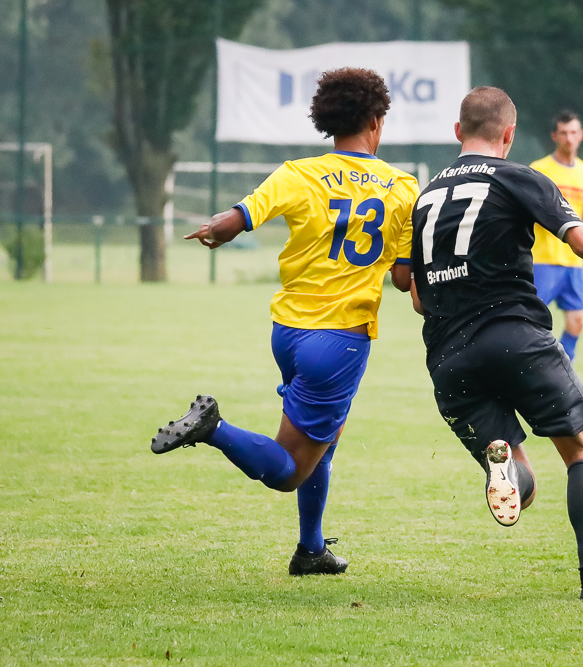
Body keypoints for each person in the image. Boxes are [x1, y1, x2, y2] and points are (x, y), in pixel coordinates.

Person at [148, 68, 418, 576]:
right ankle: (213, 428)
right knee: (289, 471)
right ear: (376, 121)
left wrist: (217, 230)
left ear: (328, 121)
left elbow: (235, 219)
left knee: (325, 440)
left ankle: (311, 550)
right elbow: (404, 280)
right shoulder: (403, 188)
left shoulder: (298, 173)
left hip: (289, 333)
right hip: (339, 342)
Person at [409, 87, 583, 601]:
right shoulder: (517, 176)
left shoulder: (426, 197)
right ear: (509, 134)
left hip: (448, 357)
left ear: (457, 132)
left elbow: (413, 294)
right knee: (582, 449)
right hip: (514, 336)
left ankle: (506, 470)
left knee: (526, 483)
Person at [530, 110, 583, 363]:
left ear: (581, 135)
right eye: (563, 133)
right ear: (554, 136)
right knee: (530, 322)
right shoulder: (539, 170)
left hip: (574, 262)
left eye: (573, 132)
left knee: (577, 322)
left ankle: (561, 367)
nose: (569, 138)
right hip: (543, 260)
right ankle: (527, 368)